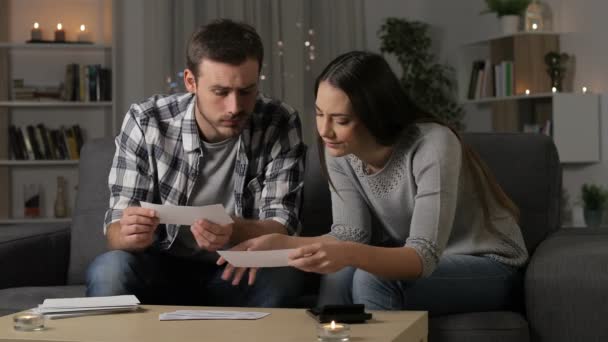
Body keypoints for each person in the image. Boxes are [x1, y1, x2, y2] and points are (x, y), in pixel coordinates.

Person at [220, 51, 529, 314]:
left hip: (488, 266)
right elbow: (350, 234)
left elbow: (422, 256)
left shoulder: (433, 145)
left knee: (371, 277)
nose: (325, 131)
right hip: (429, 264)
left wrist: (350, 255)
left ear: (375, 115)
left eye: (341, 120)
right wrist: (284, 243)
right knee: (340, 274)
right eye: (319, 114)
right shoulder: (339, 151)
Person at [86, 19, 307, 308]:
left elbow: (282, 227)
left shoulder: (279, 121)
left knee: (286, 276)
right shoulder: (146, 120)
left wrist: (233, 230)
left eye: (246, 91)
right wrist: (128, 233)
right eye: (220, 92)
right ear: (191, 82)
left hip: (238, 267)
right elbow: (115, 232)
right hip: (160, 266)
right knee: (110, 269)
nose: (235, 107)